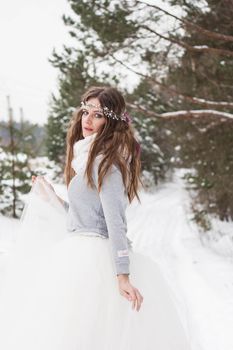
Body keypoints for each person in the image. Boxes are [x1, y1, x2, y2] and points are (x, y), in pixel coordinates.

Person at [0, 86, 191, 350]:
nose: (87, 120)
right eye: (85, 112)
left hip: (95, 262)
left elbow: (114, 222)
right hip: (78, 250)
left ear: (110, 122)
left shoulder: (107, 165)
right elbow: (84, 217)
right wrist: (52, 197)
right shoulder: (87, 158)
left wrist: (122, 274)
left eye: (97, 115)